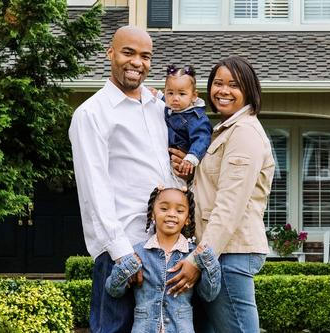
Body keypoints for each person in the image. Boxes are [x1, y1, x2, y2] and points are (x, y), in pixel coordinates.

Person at [68, 26, 190, 333]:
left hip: (164, 249)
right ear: (110, 53)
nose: (137, 62)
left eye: (145, 56)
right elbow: (94, 189)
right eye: (128, 52)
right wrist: (123, 254)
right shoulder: (92, 114)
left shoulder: (159, 107)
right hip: (122, 251)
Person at [170, 56, 275, 333]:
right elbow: (215, 189)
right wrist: (192, 172)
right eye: (218, 83)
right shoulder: (225, 131)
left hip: (230, 252)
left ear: (249, 90)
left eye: (233, 85)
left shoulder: (244, 133)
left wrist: (197, 259)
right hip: (218, 251)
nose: (223, 91)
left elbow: (230, 206)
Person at [105, 187, 220, 333]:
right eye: (164, 209)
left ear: (187, 219)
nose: (171, 214)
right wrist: (128, 266)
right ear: (153, 214)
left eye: (179, 211)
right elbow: (113, 290)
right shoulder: (137, 253)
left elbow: (209, 294)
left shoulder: (193, 255)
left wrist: (208, 260)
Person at [158, 64, 212, 176]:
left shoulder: (195, 117)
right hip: (166, 160)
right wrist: (158, 95)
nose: (175, 98)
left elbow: (202, 138)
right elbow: (166, 99)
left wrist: (191, 157)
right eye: (170, 93)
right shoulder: (172, 106)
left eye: (182, 94)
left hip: (184, 161)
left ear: (193, 96)